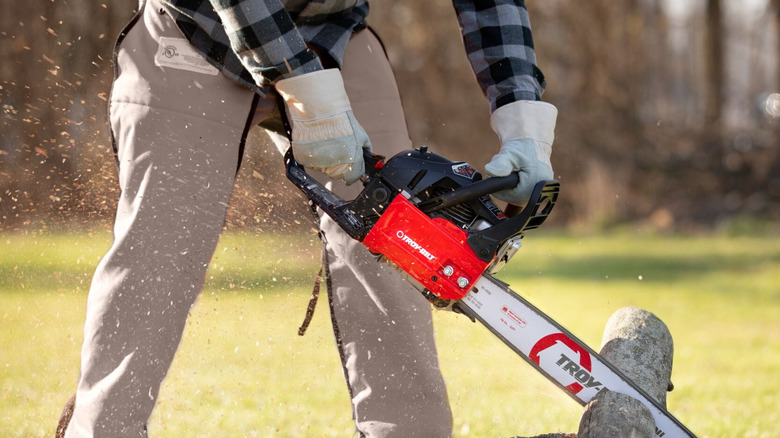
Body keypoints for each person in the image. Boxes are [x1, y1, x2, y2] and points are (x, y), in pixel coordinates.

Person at [58, 0, 557, 436]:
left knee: (398, 249)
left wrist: (523, 119)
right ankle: (101, 429)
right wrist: (302, 88)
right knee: (163, 247)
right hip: (198, 30)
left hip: (335, 32)